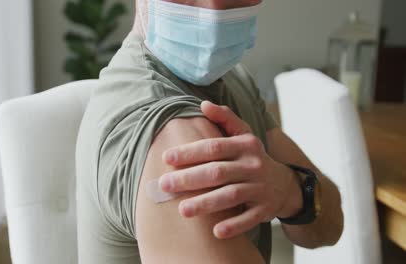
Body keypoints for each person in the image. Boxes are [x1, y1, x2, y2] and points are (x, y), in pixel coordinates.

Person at [76, 0, 344, 263]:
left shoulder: (235, 80)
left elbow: (330, 227)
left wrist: (291, 191)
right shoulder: (171, 137)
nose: (213, 9)